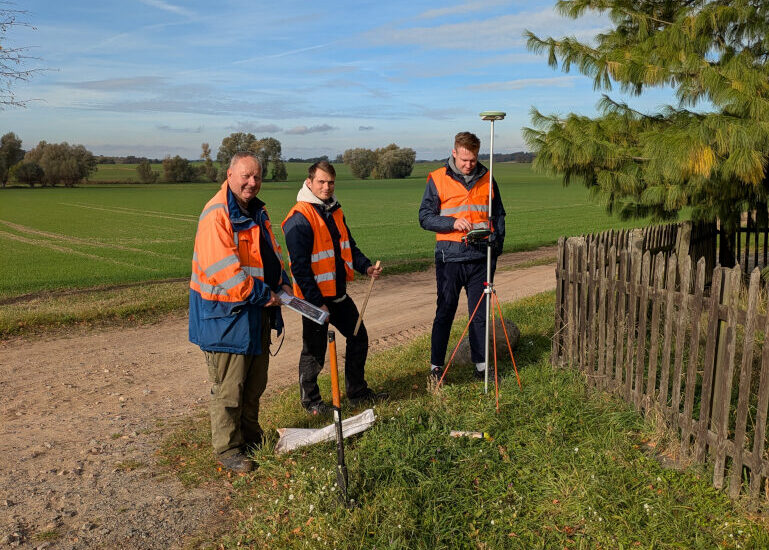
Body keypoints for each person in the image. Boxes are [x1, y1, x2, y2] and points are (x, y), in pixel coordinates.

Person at [189, 152, 292, 473]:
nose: (252, 182)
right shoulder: (217, 214)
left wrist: (284, 283)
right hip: (225, 317)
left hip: (255, 313)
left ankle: (250, 436)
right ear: (230, 174)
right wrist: (268, 296)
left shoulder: (257, 212)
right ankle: (228, 448)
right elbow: (227, 273)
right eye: (246, 176)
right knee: (229, 388)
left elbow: (270, 255)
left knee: (253, 383)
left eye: (257, 177)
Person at [282, 160, 388, 415]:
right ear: (309, 182)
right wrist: (316, 301)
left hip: (338, 295)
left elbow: (348, 245)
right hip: (312, 300)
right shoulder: (299, 218)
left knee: (358, 337)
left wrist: (365, 267)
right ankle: (312, 403)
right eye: (321, 182)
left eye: (330, 182)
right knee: (314, 352)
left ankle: (357, 392)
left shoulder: (334, 210)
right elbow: (300, 268)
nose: (327, 187)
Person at [419, 131, 506, 381]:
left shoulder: (488, 179)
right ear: (454, 152)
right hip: (450, 259)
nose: (469, 165)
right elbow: (424, 218)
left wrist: (495, 251)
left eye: (473, 159)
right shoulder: (437, 178)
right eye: (464, 159)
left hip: (481, 259)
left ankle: (481, 367)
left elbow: (498, 217)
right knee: (445, 312)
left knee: (479, 316)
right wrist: (451, 222)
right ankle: (436, 367)